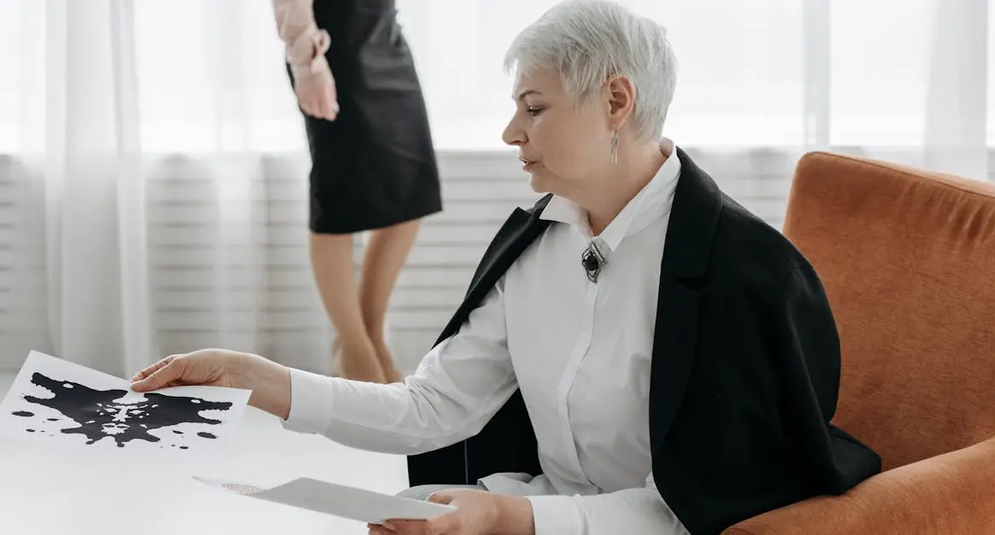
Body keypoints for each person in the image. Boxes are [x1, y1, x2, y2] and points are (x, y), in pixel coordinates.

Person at [133, 1, 881, 533]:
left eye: (534, 108)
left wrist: (512, 516)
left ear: (616, 101)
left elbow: (698, 507)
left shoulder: (744, 276)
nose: (509, 132)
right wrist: (254, 378)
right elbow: (431, 408)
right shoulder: (535, 244)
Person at [271, 0, 443, 384]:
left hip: (386, 34)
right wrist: (308, 62)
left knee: (411, 190)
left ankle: (369, 336)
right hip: (332, 47)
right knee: (338, 197)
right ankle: (356, 346)